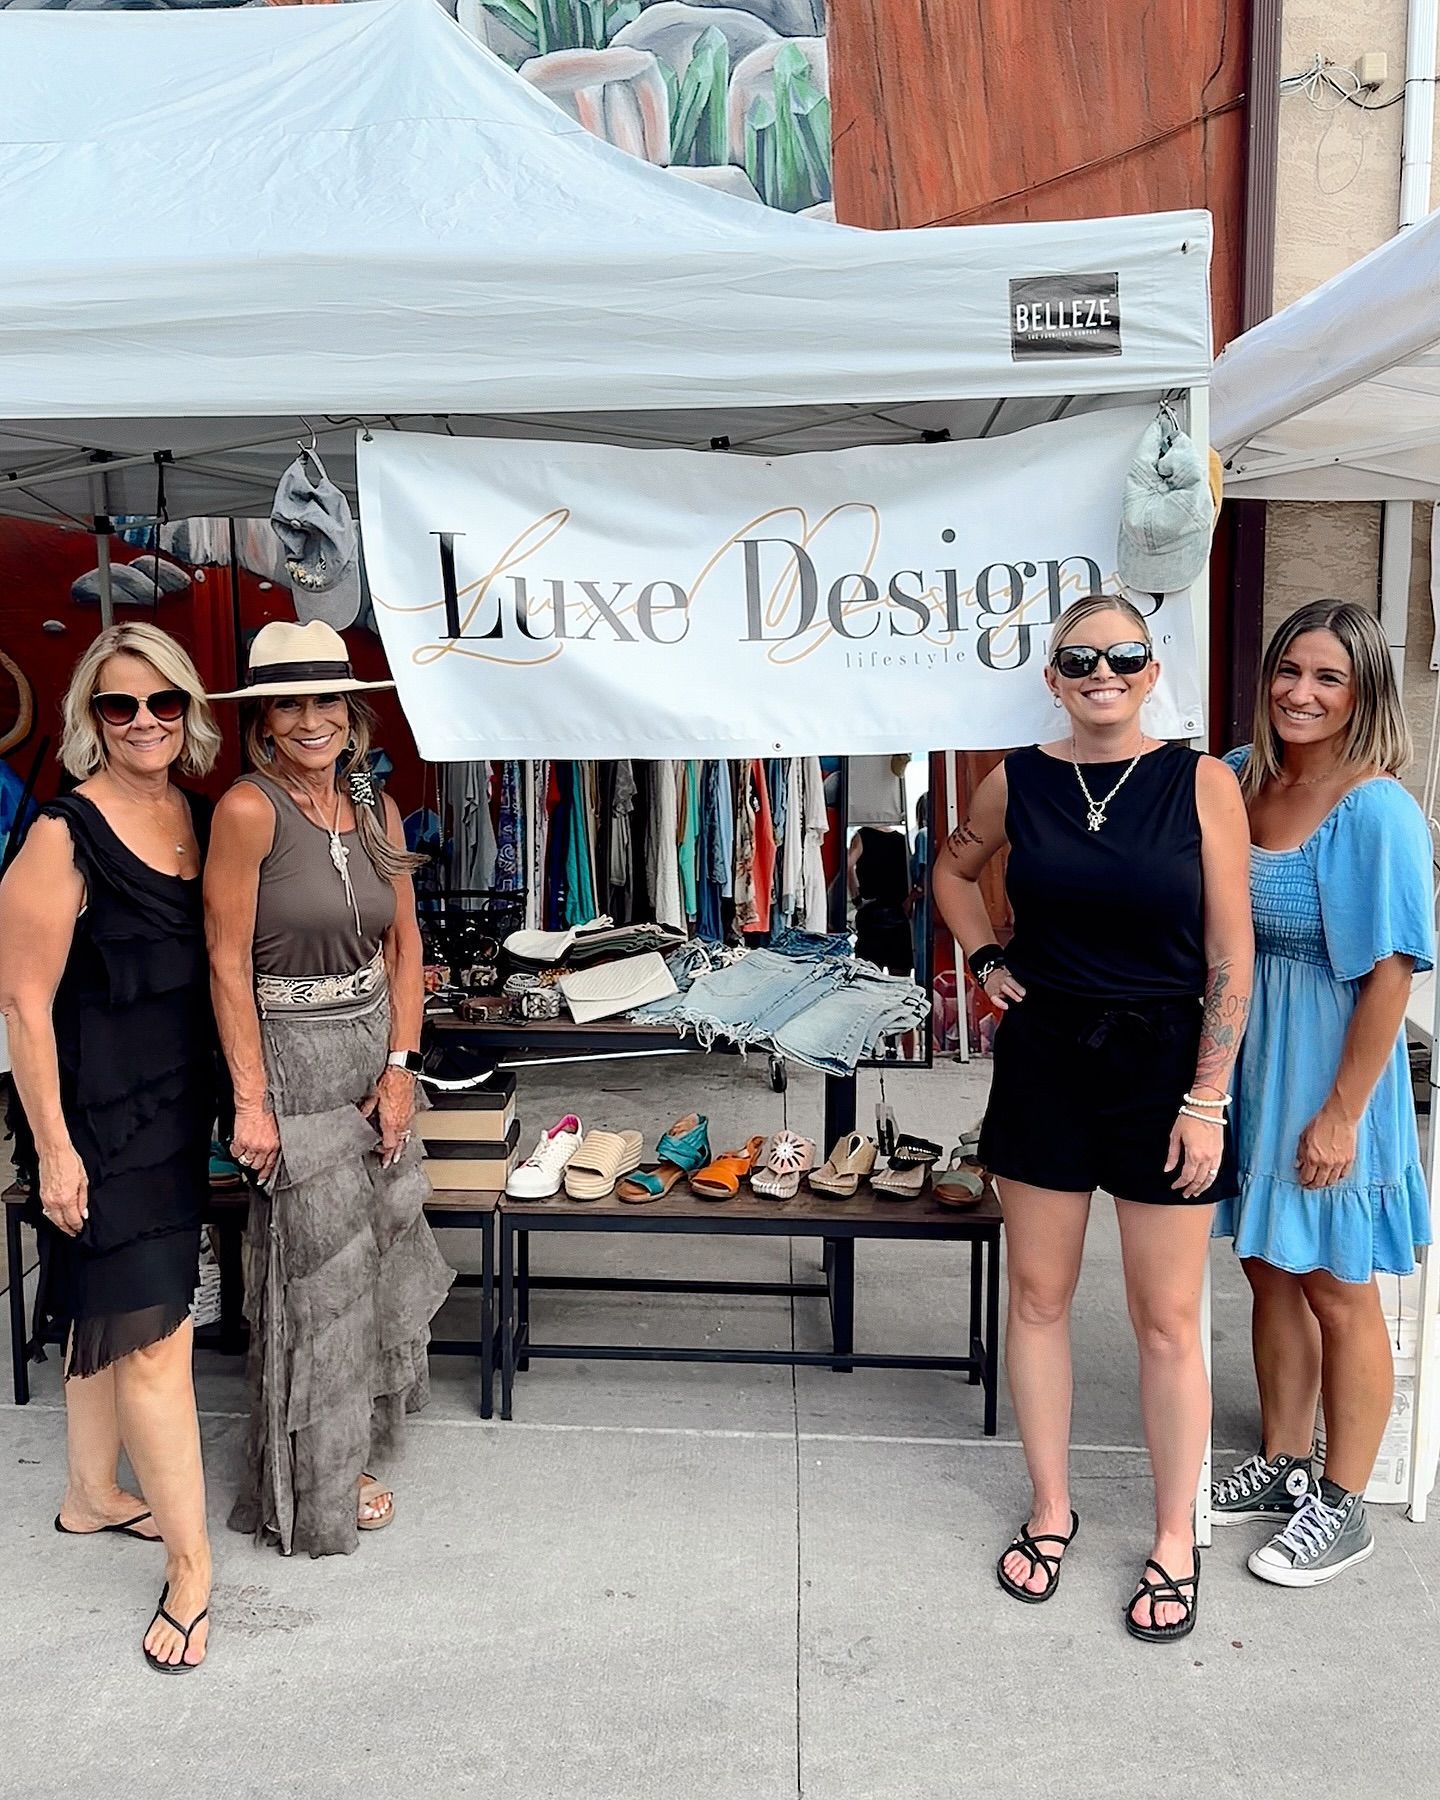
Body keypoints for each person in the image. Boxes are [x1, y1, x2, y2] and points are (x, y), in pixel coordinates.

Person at [932, 593, 1253, 1642]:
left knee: (1166, 1319)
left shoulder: (1201, 781)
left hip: (1166, 1063)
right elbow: (952, 868)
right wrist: (984, 957)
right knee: (1036, 1295)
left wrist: (1208, 1096)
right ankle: (1051, 1508)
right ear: (1053, 674)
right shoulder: (1016, 778)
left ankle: (1171, 1537)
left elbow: (1229, 957)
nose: (1102, 671)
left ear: (1152, 670)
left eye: (1123, 655)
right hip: (1046, 1058)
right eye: (1080, 658)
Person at [0, 622, 222, 1672]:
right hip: (94, 1118)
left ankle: (90, 1495)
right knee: (153, 1338)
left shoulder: (197, 814)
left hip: (178, 1113)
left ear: (189, 710)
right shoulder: (62, 833)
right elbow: (22, 1004)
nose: (143, 723)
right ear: (90, 718)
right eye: (118, 705)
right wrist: (51, 1146)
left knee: (103, 1304)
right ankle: (191, 1570)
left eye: (162, 702)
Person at [205, 620, 453, 1558]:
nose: (310, 720)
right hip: (294, 1056)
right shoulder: (247, 811)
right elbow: (226, 963)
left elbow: (406, 948)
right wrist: (252, 1101)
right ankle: (319, 1475)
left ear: (352, 714)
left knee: (377, 1259)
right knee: (318, 1280)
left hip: (371, 1053)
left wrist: (401, 1070)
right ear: (264, 721)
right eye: (288, 705)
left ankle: (358, 1447)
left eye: (325, 703)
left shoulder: (378, 810)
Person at [1210, 601, 1433, 1586]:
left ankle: (1343, 1505)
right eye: (1288, 671)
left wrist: (1342, 1111)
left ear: (1362, 694)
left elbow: (1392, 971)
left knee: (1340, 1289)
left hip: (1334, 1066)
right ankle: (1283, 1461)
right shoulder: (1235, 776)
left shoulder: (1375, 806)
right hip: (1252, 1060)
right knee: (1267, 1265)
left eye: (1328, 678)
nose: (1301, 693)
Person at [848, 824, 912, 974]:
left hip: (872, 912)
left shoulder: (862, 835)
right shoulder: (902, 840)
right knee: (900, 980)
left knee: (868, 977)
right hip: (899, 915)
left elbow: (848, 864)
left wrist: (856, 897)